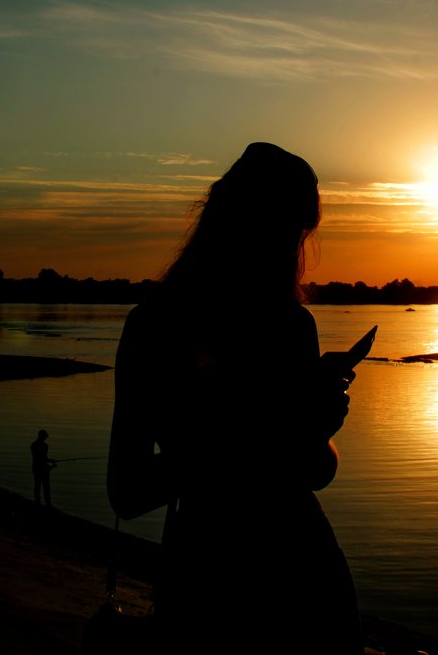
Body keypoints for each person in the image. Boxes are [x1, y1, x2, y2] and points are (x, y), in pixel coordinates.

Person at [107, 142, 361, 654]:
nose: (292, 248)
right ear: (247, 224)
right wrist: (274, 430)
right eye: (286, 230)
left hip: (275, 571)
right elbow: (128, 491)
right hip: (222, 579)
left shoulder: (288, 324)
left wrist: (319, 426)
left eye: (299, 233)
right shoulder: (160, 327)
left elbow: (312, 470)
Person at [31, 429, 55, 506]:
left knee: (37, 487)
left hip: (36, 468)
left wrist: (50, 461)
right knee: (46, 488)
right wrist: (50, 465)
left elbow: (40, 458)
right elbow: (43, 459)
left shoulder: (33, 445)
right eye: (45, 437)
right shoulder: (45, 446)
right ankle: (48, 504)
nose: (45, 438)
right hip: (43, 469)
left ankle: (37, 503)